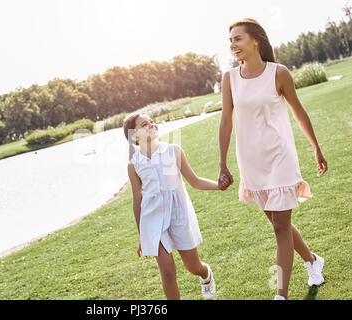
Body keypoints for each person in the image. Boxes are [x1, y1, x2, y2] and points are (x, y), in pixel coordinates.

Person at [218, 18, 328, 300]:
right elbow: (226, 122)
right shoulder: (229, 78)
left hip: (280, 156)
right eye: (230, 40)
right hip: (251, 161)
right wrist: (222, 163)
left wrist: (315, 147)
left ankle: (281, 295)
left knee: (280, 226)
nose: (233, 45)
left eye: (238, 39)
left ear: (255, 41)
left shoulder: (279, 73)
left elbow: (298, 112)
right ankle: (313, 260)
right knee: (278, 222)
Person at [124, 112, 219, 300]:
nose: (152, 125)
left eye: (152, 122)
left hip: (179, 215)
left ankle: (206, 274)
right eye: (145, 124)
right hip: (153, 221)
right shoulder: (133, 165)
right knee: (167, 272)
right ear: (135, 136)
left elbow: (195, 181)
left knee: (193, 267)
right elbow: (137, 199)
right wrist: (142, 235)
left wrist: (219, 186)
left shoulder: (173, 151)